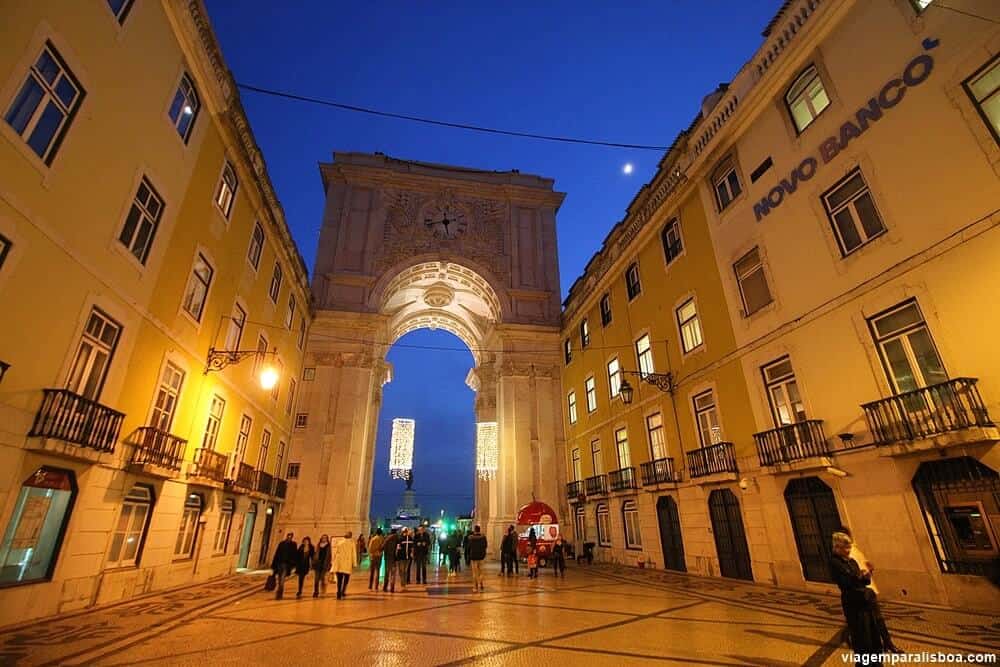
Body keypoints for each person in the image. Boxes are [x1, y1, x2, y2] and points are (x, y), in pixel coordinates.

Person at [841, 526, 901, 653]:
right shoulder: (845, 555)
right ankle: (888, 643)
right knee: (876, 617)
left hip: (869, 588)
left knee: (873, 617)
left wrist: (869, 567)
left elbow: (864, 564)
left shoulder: (854, 550)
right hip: (861, 591)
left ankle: (886, 643)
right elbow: (851, 574)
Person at [831, 531, 884, 657]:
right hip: (853, 603)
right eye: (846, 547)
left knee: (873, 635)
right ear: (837, 547)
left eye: (849, 546)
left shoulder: (852, 561)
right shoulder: (835, 563)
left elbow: (864, 581)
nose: (849, 550)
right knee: (862, 639)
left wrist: (868, 573)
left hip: (865, 602)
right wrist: (858, 576)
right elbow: (845, 582)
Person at [270, 532, 297, 600]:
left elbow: (294, 555)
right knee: (279, 579)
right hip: (279, 563)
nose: (289, 538)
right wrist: (273, 565)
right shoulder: (281, 543)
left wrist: (293, 564)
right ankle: (279, 592)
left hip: (286, 565)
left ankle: (279, 593)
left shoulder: (293, 544)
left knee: (282, 579)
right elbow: (277, 553)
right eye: (288, 536)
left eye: (290, 537)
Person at [333, 530, 357, 599]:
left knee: (339, 579)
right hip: (347, 563)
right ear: (351, 536)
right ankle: (343, 591)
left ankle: (338, 592)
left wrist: (334, 562)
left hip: (339, 563)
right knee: (346, 579)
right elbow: (354, 554)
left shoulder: (339, 542)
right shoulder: (352, 543)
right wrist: (354, 564)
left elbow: (336, 553)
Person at [467, 524, 488, 592]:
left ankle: (475, 587)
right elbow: (485, 546)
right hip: (481, 556)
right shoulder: (483, 537)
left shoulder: (471, 538)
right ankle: (481, 583)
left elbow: (469, 547)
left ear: (474, 530)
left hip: (473, 557)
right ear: (479, 530)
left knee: (474, 573)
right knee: (481, 572)